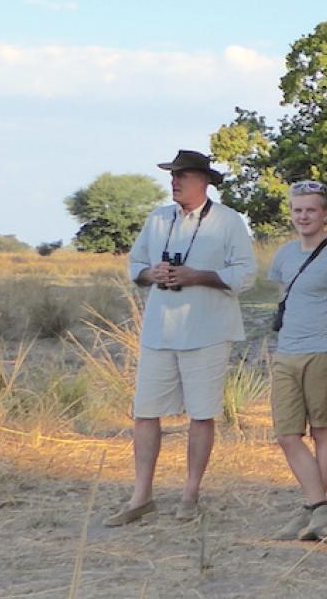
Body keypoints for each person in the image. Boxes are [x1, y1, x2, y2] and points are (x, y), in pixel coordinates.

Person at [105, 149, 256, 527]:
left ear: (203, 181)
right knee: (145, 412)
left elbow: (245, 275)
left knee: (201, 414)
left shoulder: (228, 221)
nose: (174, 182)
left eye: (182, 176)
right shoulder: (158, 219)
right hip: (160, 330)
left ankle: (190, 494)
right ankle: (142, 496)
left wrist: (197, 276)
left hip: (208, 331)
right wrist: (151, 274)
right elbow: (135, 265)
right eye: (172, 176)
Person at [266, 180, 327, 541]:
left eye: (310, 210)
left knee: (322, 429)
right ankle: (318, 508)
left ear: (325, 215)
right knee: (287, 434)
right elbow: (285, 300)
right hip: (286, 352)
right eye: (297, 210)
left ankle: (313, 510)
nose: (303, 216)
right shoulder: (284, 255)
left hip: (323, 351)